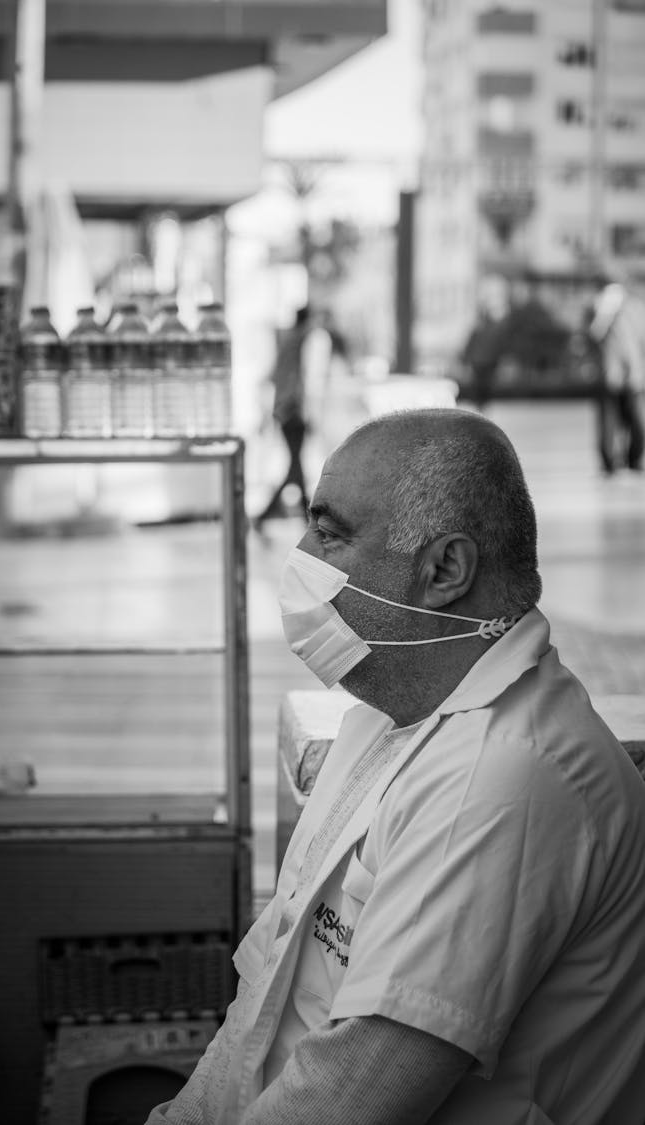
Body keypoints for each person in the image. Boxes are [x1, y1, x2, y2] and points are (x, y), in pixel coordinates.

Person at [146, 408, 645, 1125]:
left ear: (443, 569)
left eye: (330, 532)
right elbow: (260, 1016)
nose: (301, 556)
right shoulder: (386, 717)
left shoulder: (507, 777)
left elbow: (353, 1094)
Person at [254, 306, 314, 526]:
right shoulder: (299, 342)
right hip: (292, 410)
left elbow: (272, 376)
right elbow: (301, 379)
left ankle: (305, 513)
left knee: (296, 464)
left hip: (283, 409)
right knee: (295, 465)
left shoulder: (288, 341)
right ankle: (273, 514)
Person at [588, 281, 645, 474]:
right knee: (609, 423)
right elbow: (594, 334)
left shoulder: (638, 308)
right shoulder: (603, 307)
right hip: (611, 375)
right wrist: (606, 312)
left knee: (638, 422)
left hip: (635, 376)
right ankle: (609, 464)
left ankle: (634, 460)